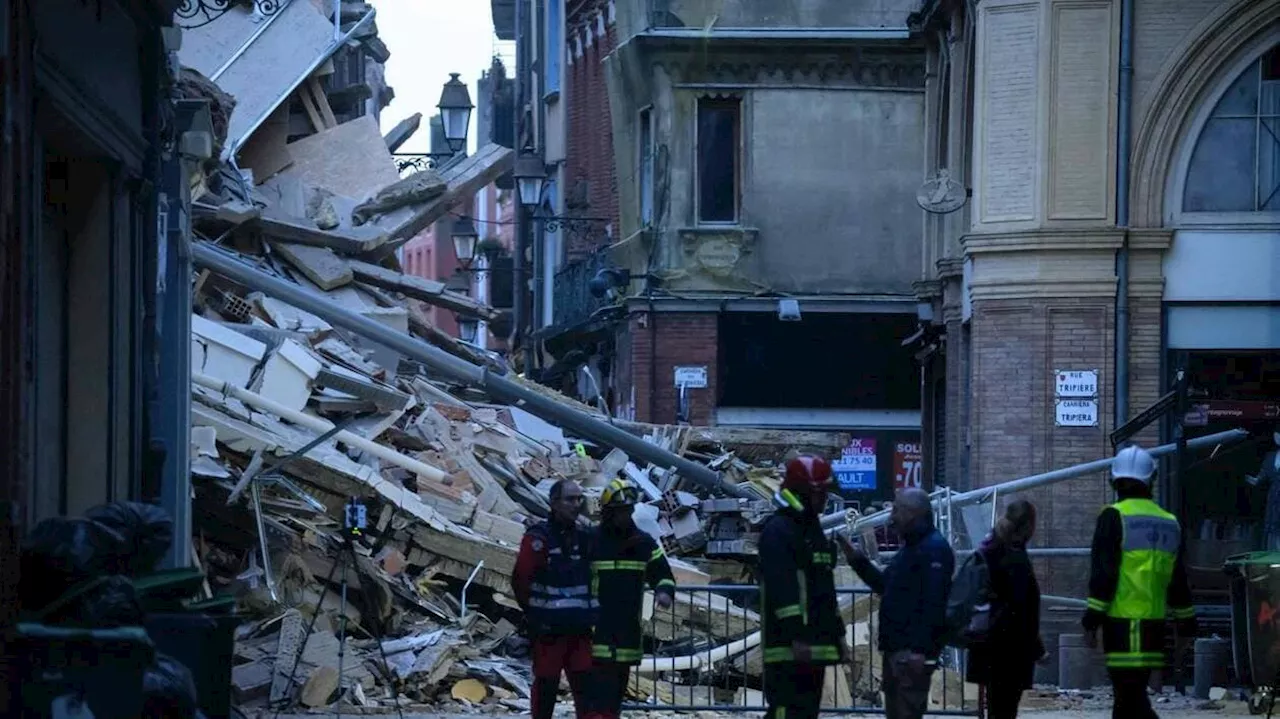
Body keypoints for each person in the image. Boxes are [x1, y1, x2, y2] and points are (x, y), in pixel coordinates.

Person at [1084, 444, 1197, 719]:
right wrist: (1186, 624)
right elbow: (1178, 580)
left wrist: (1091, 621)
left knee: (1128, 699)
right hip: (1154, 627)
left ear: (1114, 479)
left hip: (1123, 626)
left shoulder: (1113, 516)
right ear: (1152, 480)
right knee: (1129, 700)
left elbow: (1104, 574)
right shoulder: (1169, 522)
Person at [845, 487, 955, 719]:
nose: (891, 516)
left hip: (910, 656)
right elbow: (886, 587)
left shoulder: (933, 550)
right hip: (899, 654)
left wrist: (923, 652)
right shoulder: (911, 550)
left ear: (913, 513)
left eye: (896, 510)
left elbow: (934, 605)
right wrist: (857, 560)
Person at [757, 455, 846, 719]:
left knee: (806, 712)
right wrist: (796, 636)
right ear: (804, 493)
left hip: (813, 643)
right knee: (786, 710)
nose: (825, 500)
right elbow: (783, 589)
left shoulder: (810, 528)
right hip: (789, 646)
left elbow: (823, 587)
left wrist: (838, 634)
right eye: (821, 494)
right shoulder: (779, 530)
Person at [585, 478, 675, 719]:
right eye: (620, 512)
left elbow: (663, 574)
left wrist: (664, 592)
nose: (626, 517)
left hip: (625, 631)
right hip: (594, 630)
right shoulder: (590, 540)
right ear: (607, 513)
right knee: (592, 696)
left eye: (629, 511)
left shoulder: (642, 543)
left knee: (615, 695)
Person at [511, 479, 596, 719]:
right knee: (546, 686)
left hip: (580, 630)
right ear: (554, 502)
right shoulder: (539, 538)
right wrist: (535, 613)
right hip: (549, 631)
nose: (576, 504)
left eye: (580, 499)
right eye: (570, 499)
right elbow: (521, 579)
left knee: (586, 688)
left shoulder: (586, 536)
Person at [965, 499, 1046, 719]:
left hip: (987, 644)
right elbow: (1020, 609)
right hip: (1008, 650)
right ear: (1029, 526)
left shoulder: (992, 546)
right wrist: (1036, 649)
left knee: (996, 708)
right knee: (1004, 710)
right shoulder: (1014, 557)